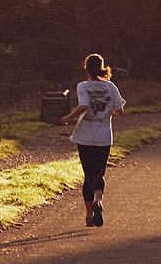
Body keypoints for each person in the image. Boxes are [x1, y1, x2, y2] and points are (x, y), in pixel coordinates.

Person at [60, 53, 126, 227]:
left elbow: (84, 106)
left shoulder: (83, 86)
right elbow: (120, 111)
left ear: (86, 67)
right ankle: (98, 199)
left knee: (88, 174)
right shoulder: (111, 87)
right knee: (99, 173)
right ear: (102, 67)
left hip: (85, 136)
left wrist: (68, 116)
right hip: (104, 136)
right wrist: (106, 112)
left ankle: (89, 214)